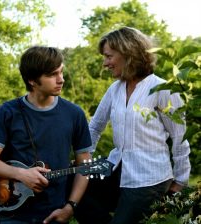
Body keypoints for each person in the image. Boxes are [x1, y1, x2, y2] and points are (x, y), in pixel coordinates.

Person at [75, 27, 191, 224]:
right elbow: (95, 127)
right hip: (116, 167)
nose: (105, 63)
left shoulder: (162, 90)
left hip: (149, 178)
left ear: (128, 53)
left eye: (109, 56)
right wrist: (83, 159)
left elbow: (180, 137)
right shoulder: (115, 89)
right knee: (72, 187)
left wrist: (180, 181)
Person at [0, 46, 93, 224]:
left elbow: (85, 165)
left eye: (61, 72)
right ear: (32, 80)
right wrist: (22, 174)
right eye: (52, 75)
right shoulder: (8, 111)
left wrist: (70, 207)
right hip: (13, 213)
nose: (61, 79)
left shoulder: (74, 114)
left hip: (54, 214)